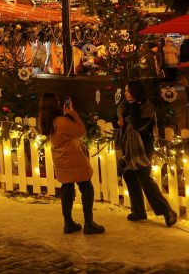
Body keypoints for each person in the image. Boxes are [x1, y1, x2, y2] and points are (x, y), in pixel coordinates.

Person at [38, 93, 104, 235]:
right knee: (86, 187)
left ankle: (68, 223)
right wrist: (72, 112)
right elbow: (81, 131)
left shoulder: (46, 121)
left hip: (61, 159)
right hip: (73, 158)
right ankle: (89, 223)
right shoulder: (61, 121)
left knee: (67, 187)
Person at [117, 81, 178, 227]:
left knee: (144, 178)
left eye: (128, 91)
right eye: (125, 91)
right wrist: (118, 123)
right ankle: (138, 211)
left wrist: (133, 106)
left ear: (135, 93)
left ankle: (168, 211)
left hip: (143, 148)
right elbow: (119, 121)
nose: (125, 93)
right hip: (129, 147)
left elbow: (138, 125)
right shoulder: (124, 106)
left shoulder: (146, 107)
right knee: (129, 175)